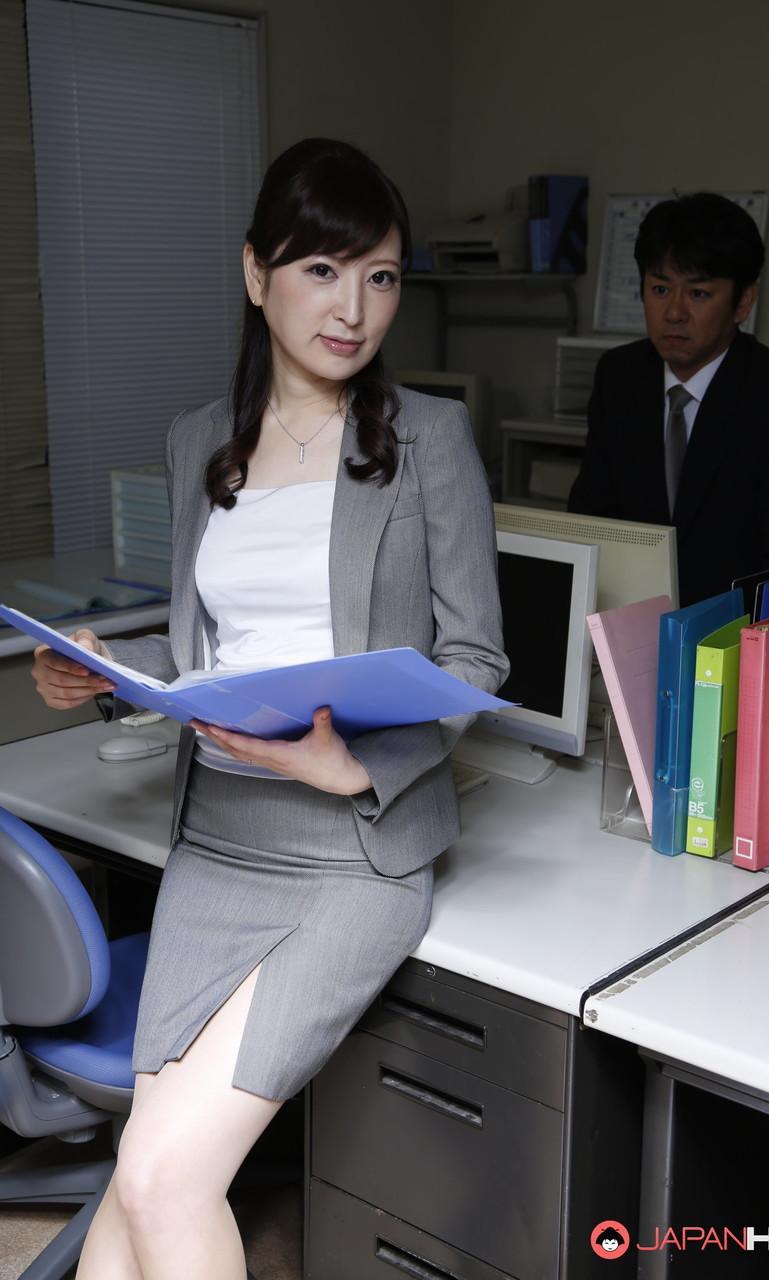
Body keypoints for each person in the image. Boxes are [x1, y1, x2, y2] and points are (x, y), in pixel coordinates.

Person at [31, 137, 508, 1280]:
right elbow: (221, 642)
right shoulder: (202, 441)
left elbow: (477, 655)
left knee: (162, 1177)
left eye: (380, 275)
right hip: (218, 844)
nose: (353, 307)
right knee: (145, 1165)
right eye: (321, 270)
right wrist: (109, 663)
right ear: (257, 275)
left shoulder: (428, 440)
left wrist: (360, 770)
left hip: (351, 853)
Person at [568, 192, 769, 606]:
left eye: (698, 294)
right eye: (660, 289)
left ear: (742, 302)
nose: (674, 312)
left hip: (735, 636)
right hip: (626, 623)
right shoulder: (618, 377)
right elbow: (590, 519)